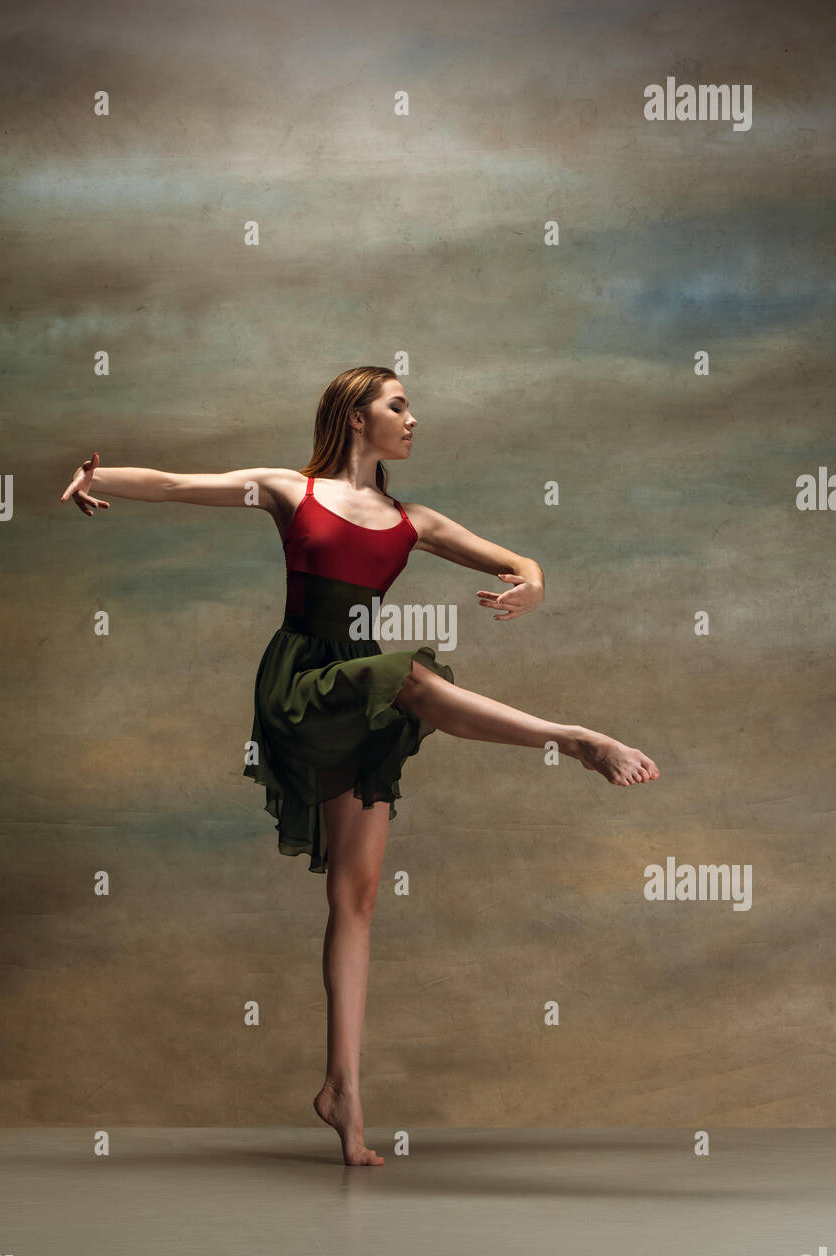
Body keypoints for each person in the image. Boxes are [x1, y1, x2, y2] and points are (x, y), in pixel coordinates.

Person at [61, 364, 660, 1166]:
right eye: (399, 405)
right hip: (303, 683)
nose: (413, 419)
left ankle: (342, 1089)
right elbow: (175, 483)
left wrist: (534, 590)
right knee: (410, 674)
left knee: (359, 895)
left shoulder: (414, 520)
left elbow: (520, 563)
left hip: (362, 700)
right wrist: (95, 478)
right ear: (356, 417)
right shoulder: (288, 490)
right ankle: (575, 739)